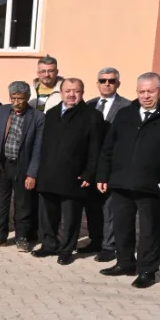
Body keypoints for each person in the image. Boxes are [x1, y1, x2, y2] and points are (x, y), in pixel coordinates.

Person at [97, 72, 160, 289]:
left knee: (149, 231)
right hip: (121, 182)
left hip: (151, 185)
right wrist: (103, 174)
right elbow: (109, 146)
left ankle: (147, 270)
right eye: (141, 91)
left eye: (150, 91)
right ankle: (125, 262)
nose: (145, 96)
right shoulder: (125, 113)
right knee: (121, 226)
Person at [33, 78, 103, 265]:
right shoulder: (51, 113)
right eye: (68, 91)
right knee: (47, 214)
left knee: (71, 217)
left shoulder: (92, 116)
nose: (71, 94)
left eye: (76, 91)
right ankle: (49, 244)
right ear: (61, 93)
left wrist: (89, 172)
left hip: (74, 175)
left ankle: (66, 249)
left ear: (82, 93)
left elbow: (95, 148)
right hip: (48, 173)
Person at [0, 81, 45, 250]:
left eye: (20, 98)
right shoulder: (1, 111)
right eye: (13, 98)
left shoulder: (38, 117)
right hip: (2, 165)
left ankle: (22, 237)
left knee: (23, 205)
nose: (16, 102)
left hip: (23, 167)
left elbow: (38, 148)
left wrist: (32, 174)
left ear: (28, 97)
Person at [82, 67, 130, 261]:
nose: (107, 84)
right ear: (97, 84)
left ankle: (109, 246)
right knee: (92, 206)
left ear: (118, 83)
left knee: (109, 208)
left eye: (111, 81)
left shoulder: (127, 107)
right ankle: (95, 240)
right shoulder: (89, 105)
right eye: (103, 81)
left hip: (113, 164)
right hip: (91, 164)